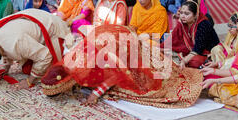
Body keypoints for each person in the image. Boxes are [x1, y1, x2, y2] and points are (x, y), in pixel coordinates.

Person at [40, 24, 203, 108]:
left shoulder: (90, 62)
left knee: (140, 82)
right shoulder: (72, 59)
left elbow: (114, 75)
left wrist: (95, 94)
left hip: (121, 42)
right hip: (106, 37)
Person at [0, 8, 74, 89]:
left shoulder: (16, 43)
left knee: (54, 77)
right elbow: (2, 47)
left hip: (54, 28)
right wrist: (6, 68)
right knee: (26, 68)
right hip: (35, 18)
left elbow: (45, 56)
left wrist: (29, 81)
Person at [162, 1, 219, 69]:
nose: (182, 16)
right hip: (192, 49)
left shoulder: (203, 24)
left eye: (187, 14)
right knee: (163, 51)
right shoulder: (182, 22)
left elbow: (198, 49)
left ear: (195, 15)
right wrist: (161, 48)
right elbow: (172, 38)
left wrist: (184, 61)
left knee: (194, 62)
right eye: (181, 13)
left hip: (206, 51)